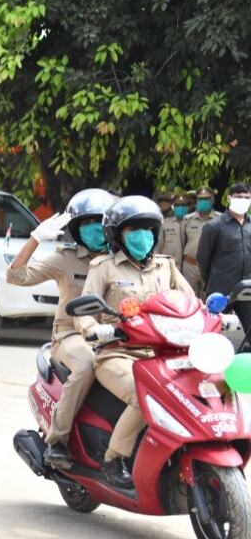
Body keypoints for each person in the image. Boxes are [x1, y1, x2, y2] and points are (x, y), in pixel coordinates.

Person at [76, 196, 202, 488]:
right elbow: (83, 313)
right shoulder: (103, 267)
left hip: (162, 353)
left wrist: (210, 316)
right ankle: (113, 459)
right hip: (117, 353)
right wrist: (95, 330)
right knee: (142, 396)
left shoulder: (166, 266)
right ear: (118, 235)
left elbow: (191, 302)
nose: (141, 236)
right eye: (132, 230)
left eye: (146, 230)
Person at [6, 188, 115, 469]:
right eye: (87, 224)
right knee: (87, 364)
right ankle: (58, 441)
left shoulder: (120, 257)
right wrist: (35, 239)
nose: (95, 229)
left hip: (113, 333)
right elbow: (16, 276)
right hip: (71, 334)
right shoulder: (64, 259)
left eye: (100, 223)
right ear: (76, 229)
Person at [197, 183, 251, 331]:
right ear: (229, 198)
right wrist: (211, 281)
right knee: (213, 331)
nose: (243, 200)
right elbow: (202, 258)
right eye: (239, 197)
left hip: (247, 290)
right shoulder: (214, 226)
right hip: (220, 289)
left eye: (247, 197)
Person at [183, 187, 220, 292]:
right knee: (189, 298)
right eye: (200, 199)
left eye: (206, 199)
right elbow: (181, 242)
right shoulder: (187, 220)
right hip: (189, 265)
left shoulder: (219, 219)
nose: (203, 202)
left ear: (212, 201)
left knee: (208, 299)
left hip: (210, 266)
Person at [158, 190, 187, 261]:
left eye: (183, 205)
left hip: (187, 266)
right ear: (173, 206)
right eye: (177, 205)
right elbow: (159, 246)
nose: (180, 207)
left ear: (187, 207)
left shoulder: (191, 223)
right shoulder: (165, 223)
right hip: (169, 263)